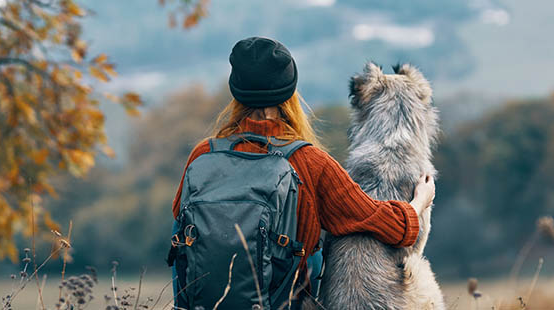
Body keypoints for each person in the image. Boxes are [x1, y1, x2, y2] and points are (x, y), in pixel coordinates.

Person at [169, 36, 435, 308]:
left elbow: (181, 224)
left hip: (202, 303)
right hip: (281, 303)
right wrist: (419, 201)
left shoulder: (203, 153)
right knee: (315, 247)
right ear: (290, 93)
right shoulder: (310, 161)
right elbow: (383, 223)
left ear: (236, 91)